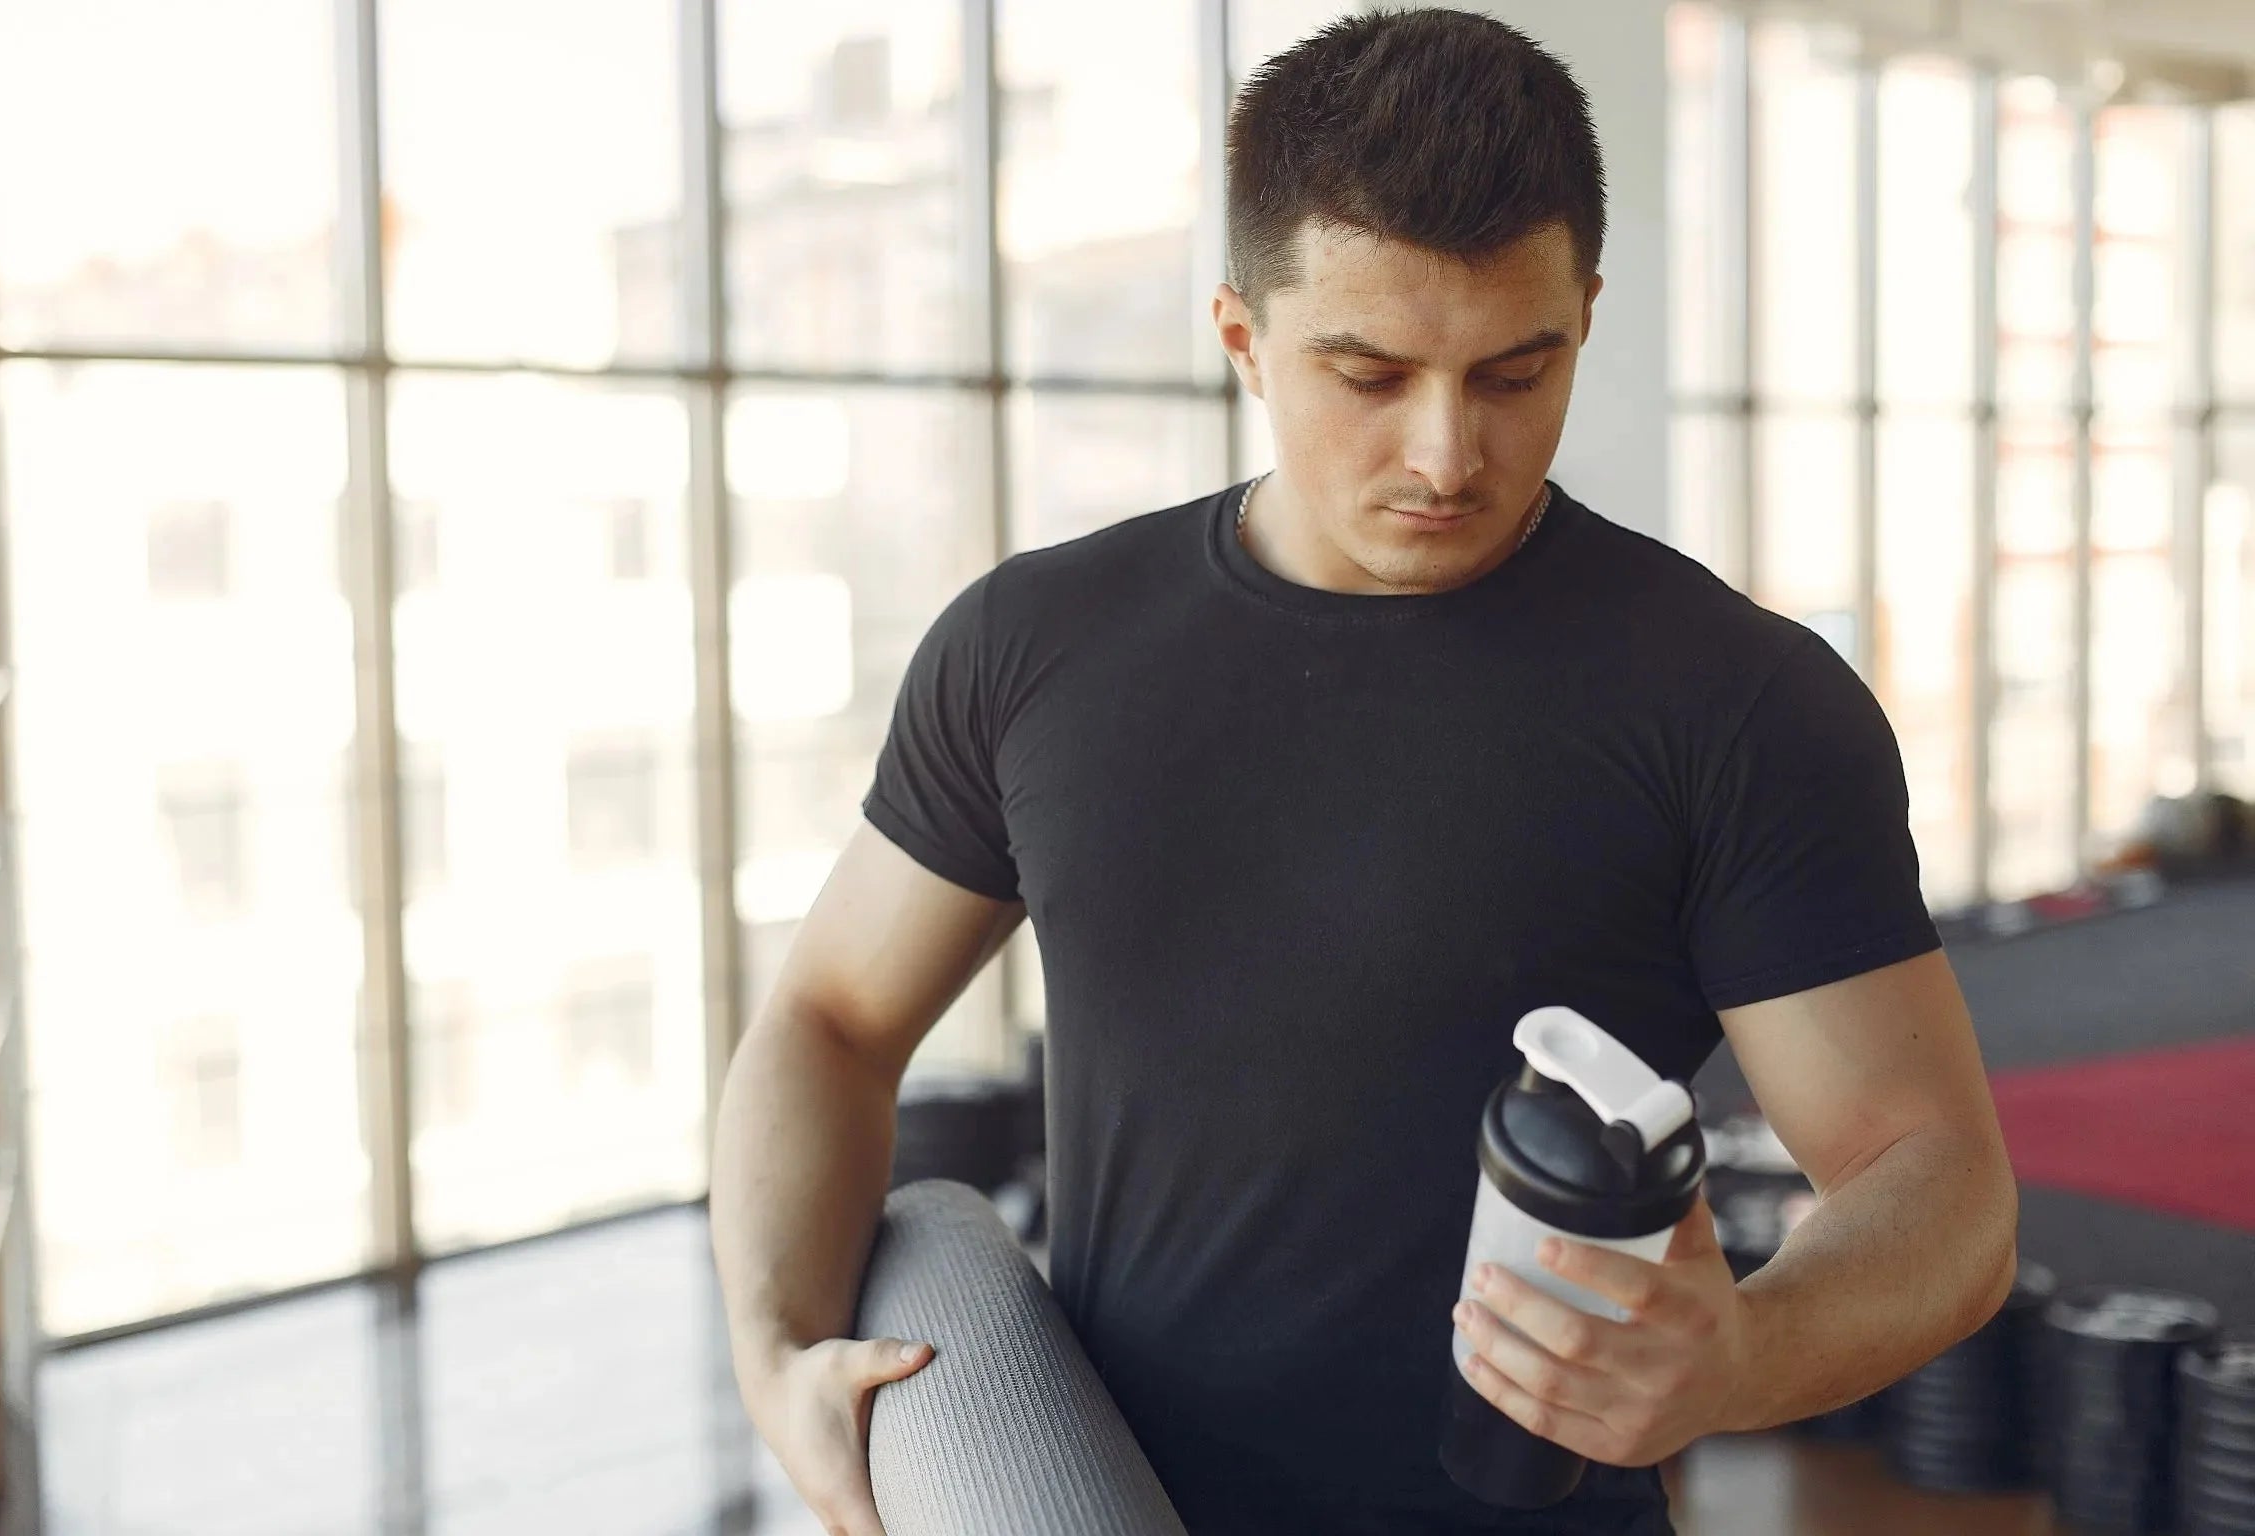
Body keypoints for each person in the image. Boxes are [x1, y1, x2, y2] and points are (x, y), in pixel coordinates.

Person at [710, 9, 2018, 1534]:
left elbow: (1939, 1183)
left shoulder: (1738, 704)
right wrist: (771, 1350)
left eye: (1516, 372)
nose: (1447, 454)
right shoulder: (1032, 644)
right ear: (1240, 333)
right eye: (1370, 373)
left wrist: (1745, 1355)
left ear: (1586, 315)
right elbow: (830, 1019)